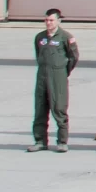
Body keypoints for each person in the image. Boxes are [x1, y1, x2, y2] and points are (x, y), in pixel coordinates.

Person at [29, 9, 79, 151]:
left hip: (58, 77)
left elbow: (73, 57)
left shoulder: (65, 37)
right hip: (42, 76)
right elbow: (38, 54)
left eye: (51, 20)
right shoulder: (40, 37)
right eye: (46, 20)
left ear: (58, 21)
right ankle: (40, 141)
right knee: (40, 108)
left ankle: (62, 141)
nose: (48, 23)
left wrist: (63, 72)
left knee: (59, 108)